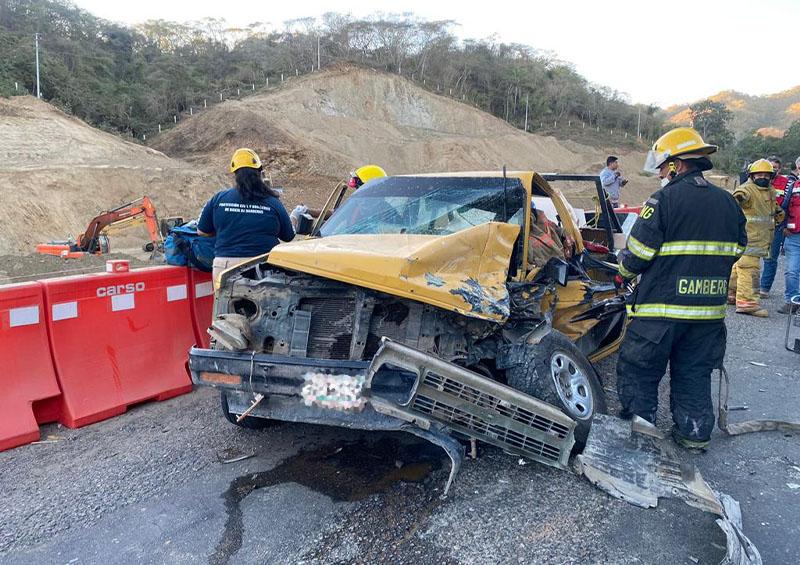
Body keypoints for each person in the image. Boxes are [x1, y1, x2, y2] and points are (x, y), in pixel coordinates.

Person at [615, 127, 746, 450]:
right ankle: (694, 434)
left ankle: (640, 433)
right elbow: (738, 249)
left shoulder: (663, 200)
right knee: (694, 373)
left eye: (662, 166)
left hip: (660, 311)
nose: (660, 173)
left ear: (677, 165)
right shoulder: (728, 203)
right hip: (708, 315)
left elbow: (638, 256)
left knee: (640, 369)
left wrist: (622, 267)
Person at [198, 148, 295, 280]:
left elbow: (202, 231)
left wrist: (224, 231)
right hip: (263, 267)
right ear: (259, 173)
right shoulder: (272, 202)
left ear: (235, 174)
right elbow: (288, 236)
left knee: (226, 301)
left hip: (225, 267)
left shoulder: (219, 199)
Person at [729, 159, 784, 317]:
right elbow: (739, 196)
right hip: (750, 239)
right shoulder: (747, 189)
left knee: (737, 268)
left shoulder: (770, 191)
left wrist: (778, 213)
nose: (763, 177)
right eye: (759, 174)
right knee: (750, 270)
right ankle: (747, 303)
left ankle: (731, 294)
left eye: (766, 175)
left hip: (761, 240)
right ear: (751, 176)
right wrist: (738, 198)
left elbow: (770, 208)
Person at [759, 156, 791, 297]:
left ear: (780, 169)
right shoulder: (756, 180)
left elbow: (787, 204)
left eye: (775, 168)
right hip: (756, 225)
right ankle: (745, 286)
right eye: (770, 167)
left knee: (770, 258)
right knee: (749, 257)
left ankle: (764, 288)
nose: (773, 170)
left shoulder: (787, 183)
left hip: (776, 226)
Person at [779, 157, 800, 314]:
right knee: (791, 271)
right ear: (798, 168)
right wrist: (784, 226)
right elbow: (784, 207)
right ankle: (792, 302)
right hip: (793, 236)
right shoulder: (792, 186)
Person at [528, 201, 574, 269]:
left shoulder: (545, 223)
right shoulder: (527, 234)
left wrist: (566, 237)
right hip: (548, 267)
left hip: (557, 264)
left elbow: (560, 230)